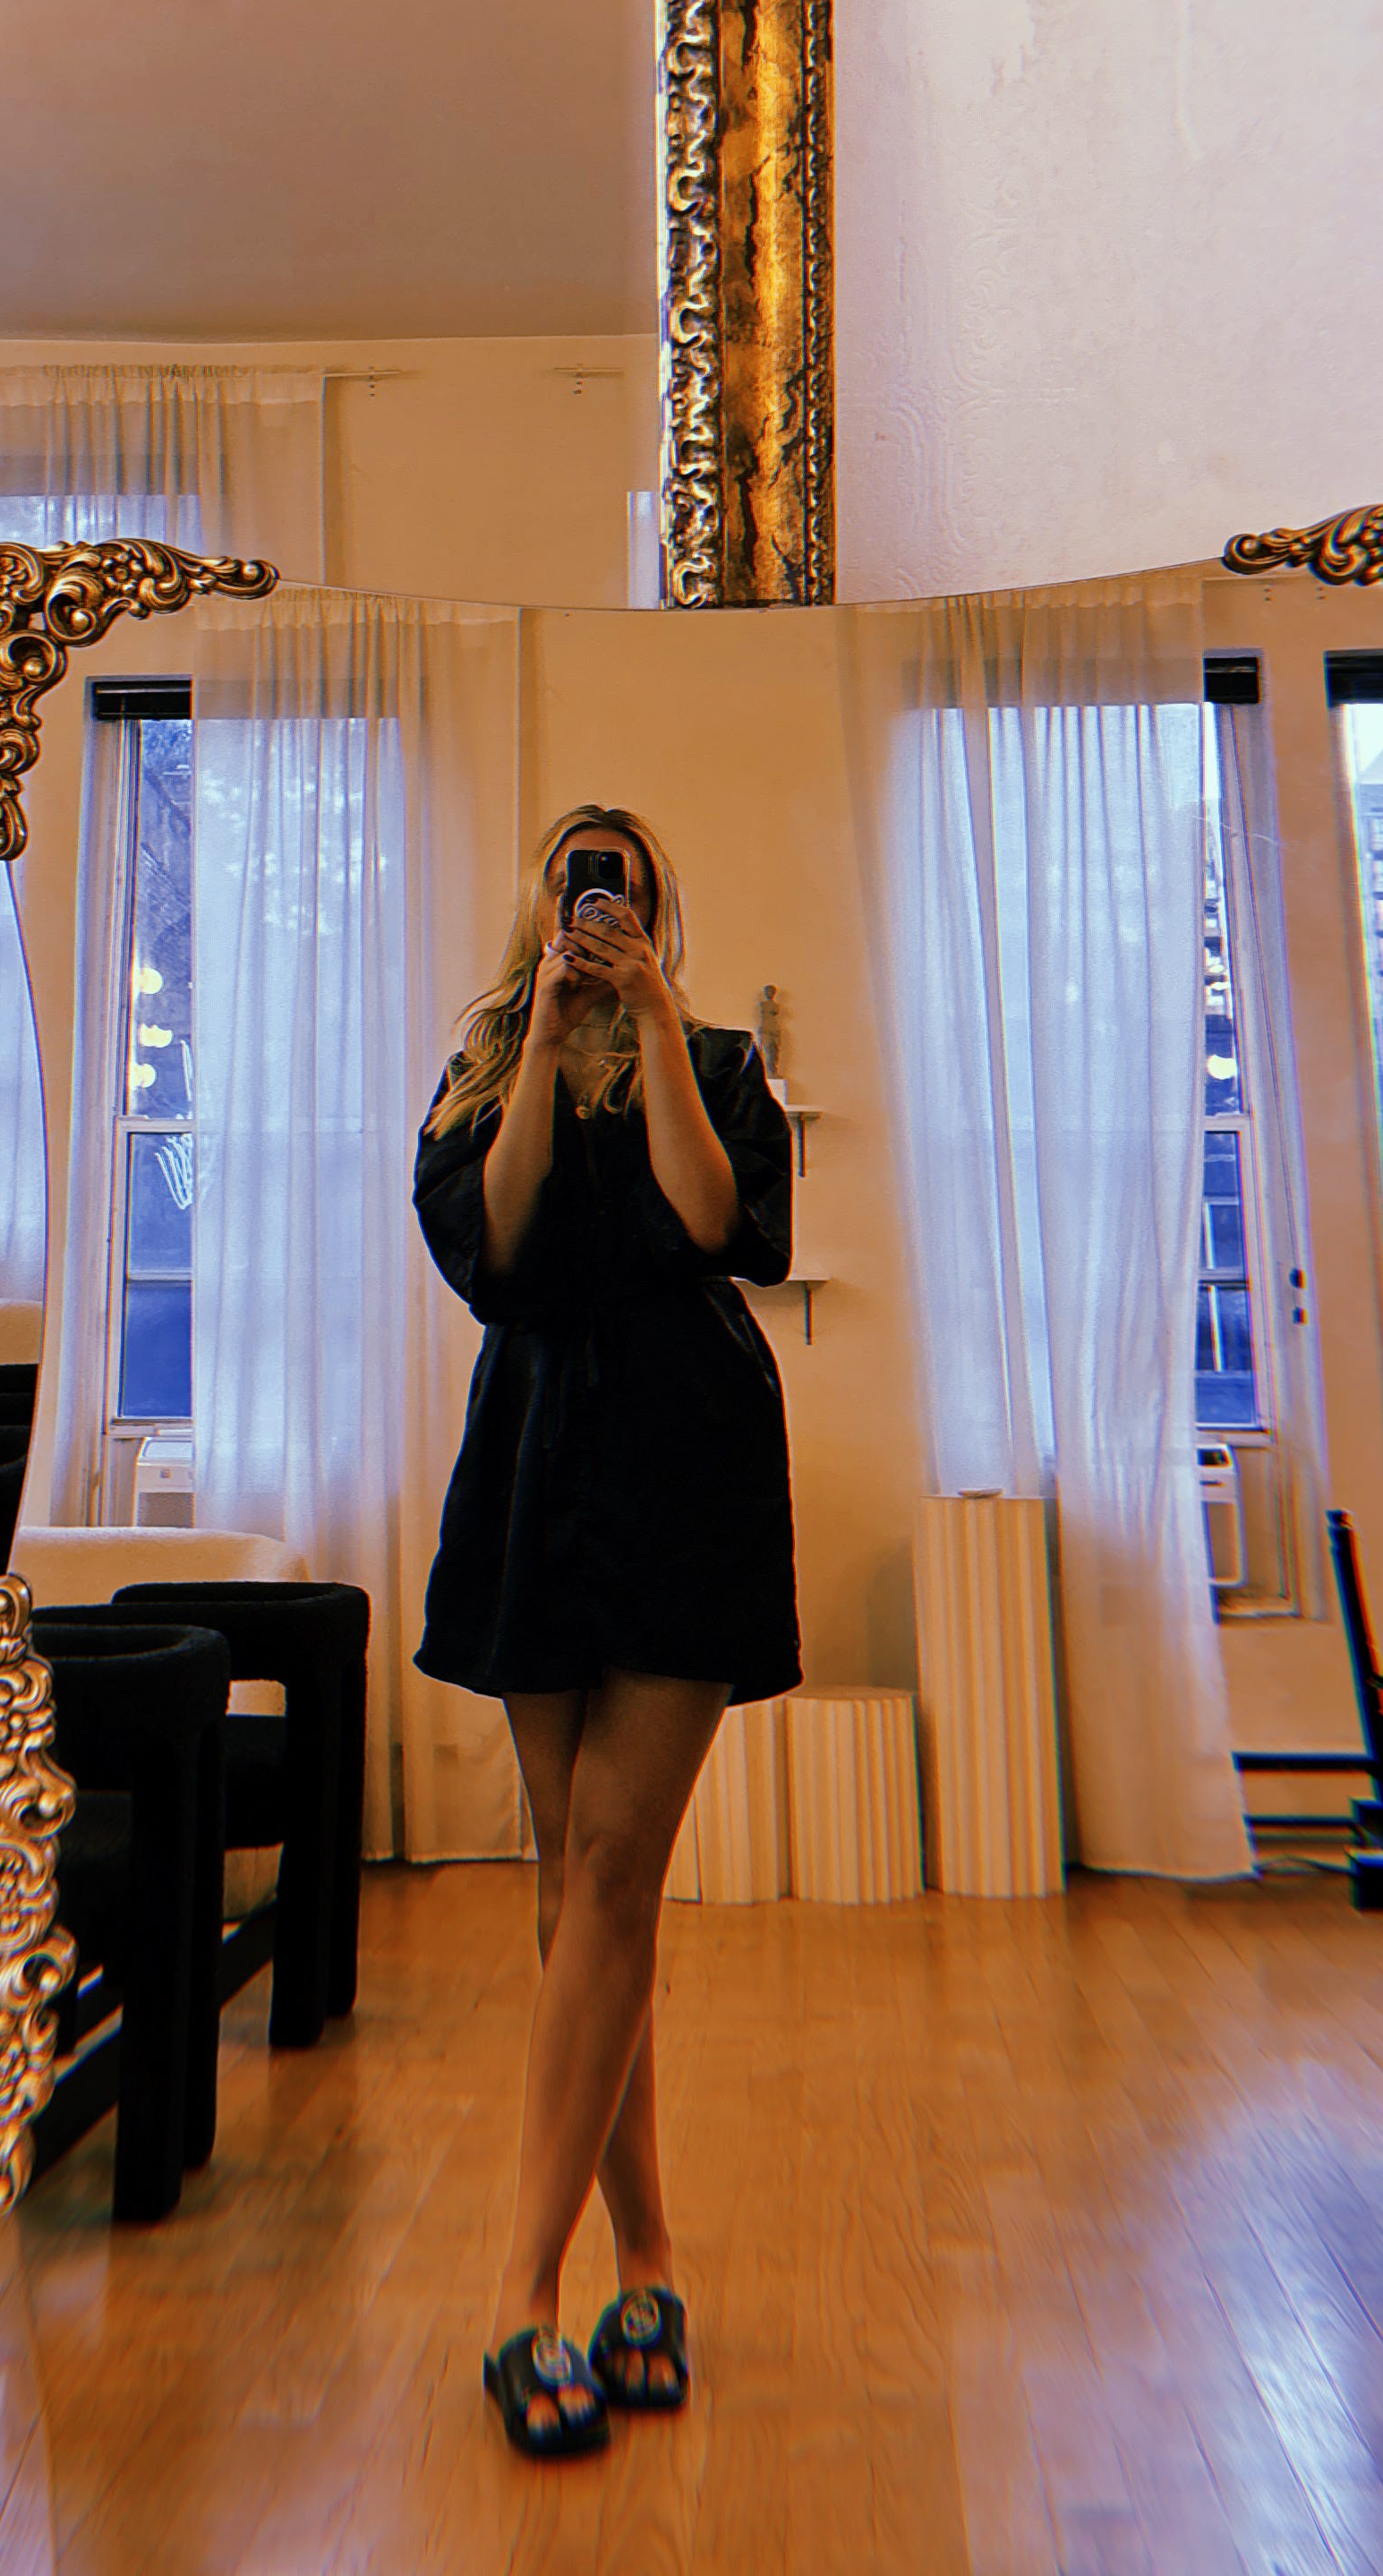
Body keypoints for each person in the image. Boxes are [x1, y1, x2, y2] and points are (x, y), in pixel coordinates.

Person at [413, 803, 799, 2461]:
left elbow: (716, 1227)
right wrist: (545, 1041)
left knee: (616, 1867)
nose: (596, 900)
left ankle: (522, 2293)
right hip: (535, 1460)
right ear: (542, 902)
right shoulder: (484, 1065)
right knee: (576, 1889)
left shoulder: (710, 1062)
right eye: (576, 879)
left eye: (621, 883)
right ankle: (649, 2269)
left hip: (688, 1459)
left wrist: (648, 1013)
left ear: (654, 906)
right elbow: (498, 1245)